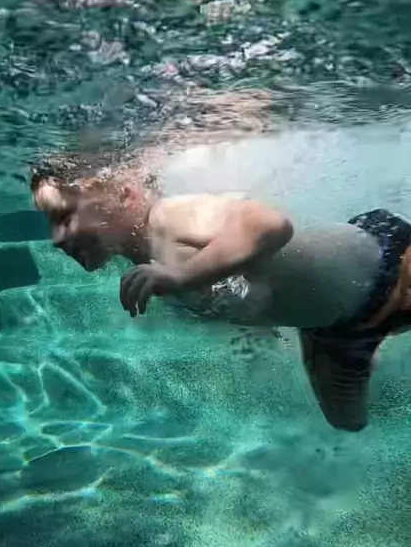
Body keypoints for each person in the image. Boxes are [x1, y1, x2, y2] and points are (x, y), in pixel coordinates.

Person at [31, 142, 411, 434]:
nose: (56, 238)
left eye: (64, 216)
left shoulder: (169, 217)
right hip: (335, 328)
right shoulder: (146, 266)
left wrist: (181, 277)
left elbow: (269, 225)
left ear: (123, 194)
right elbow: (247, 296)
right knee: (347, 421)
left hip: (392, 267)